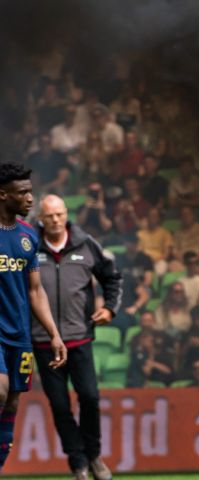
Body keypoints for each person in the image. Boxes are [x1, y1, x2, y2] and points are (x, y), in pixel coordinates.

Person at [34, 194, 122, 480]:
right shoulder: (29, 246)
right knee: (59, 405)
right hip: (43, 341)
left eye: (60, 214)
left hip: (80, 337)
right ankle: (78, 463)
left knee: (90, 398)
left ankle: (94, 455)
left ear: (66, 214)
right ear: (41, 219)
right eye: (50, 216)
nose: (56, 220)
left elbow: (112, 277)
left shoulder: (86, 244)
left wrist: (109, 308)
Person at [0, 163, 67, 473]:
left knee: (12, 402)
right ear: (3, 195)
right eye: (23, 193)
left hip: (20, 335)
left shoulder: (28, 235)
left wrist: (53, 333)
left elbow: (35, 291)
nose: (30, 198)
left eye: (30, 191)